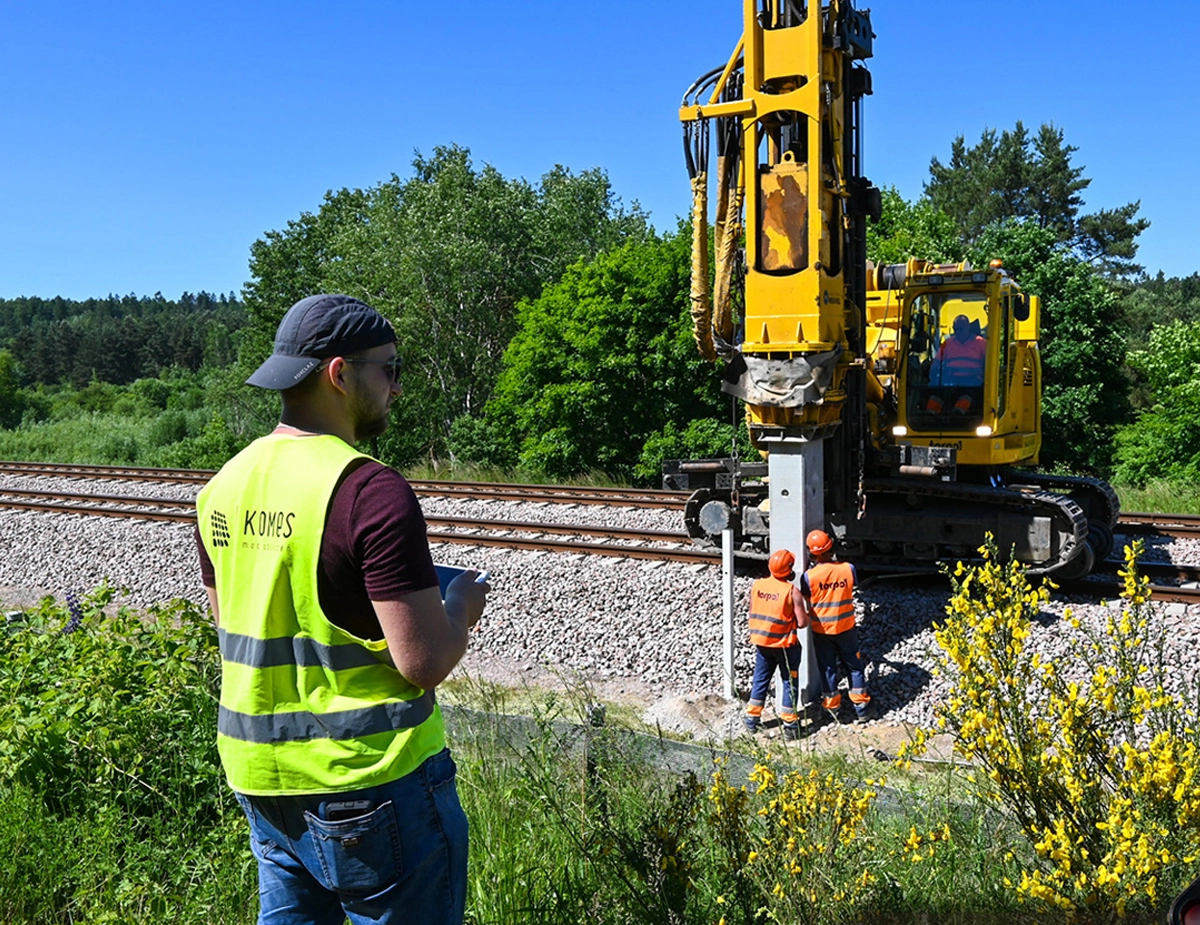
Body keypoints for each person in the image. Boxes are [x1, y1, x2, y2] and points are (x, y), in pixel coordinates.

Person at [195, 293, 489, 925]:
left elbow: (237, 626)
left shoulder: (224, 485)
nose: (397, 387)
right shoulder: (369, 489)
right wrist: (461, 605)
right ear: (338, 373)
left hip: (262, 781)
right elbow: (424, 661)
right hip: (369, 781)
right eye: (390, 369)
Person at [799, 529, 873, 723]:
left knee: (827, 668)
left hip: (822, 631)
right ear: (831, 547)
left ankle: (832, 709)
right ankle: (862, 707)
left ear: (811, 553)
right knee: (854, 666)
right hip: (846, 628)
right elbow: (851, 587)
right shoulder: (848, 569)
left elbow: (807, 598)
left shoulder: (808, 577)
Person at [744, 548, 809, 741]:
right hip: (785, 646)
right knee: (789, 682)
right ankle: (790, 725)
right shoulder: (792, 591)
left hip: (762, 643)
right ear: (789, 570)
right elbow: (803, 623)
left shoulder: (758, 586)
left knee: (760, 679)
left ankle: (751, 719)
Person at [926, 313, 986, 414]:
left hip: (973, 382)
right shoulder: (948, 343)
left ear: (968, 327)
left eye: (961, 329)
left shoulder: (981, 343)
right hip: (950, 381)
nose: (958, 332)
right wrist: (931, 377)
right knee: (936, 395)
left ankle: (957, 415)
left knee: (967, 397)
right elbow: (937, 363)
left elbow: (988, 365)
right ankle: (930, 418)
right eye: (955, 329)